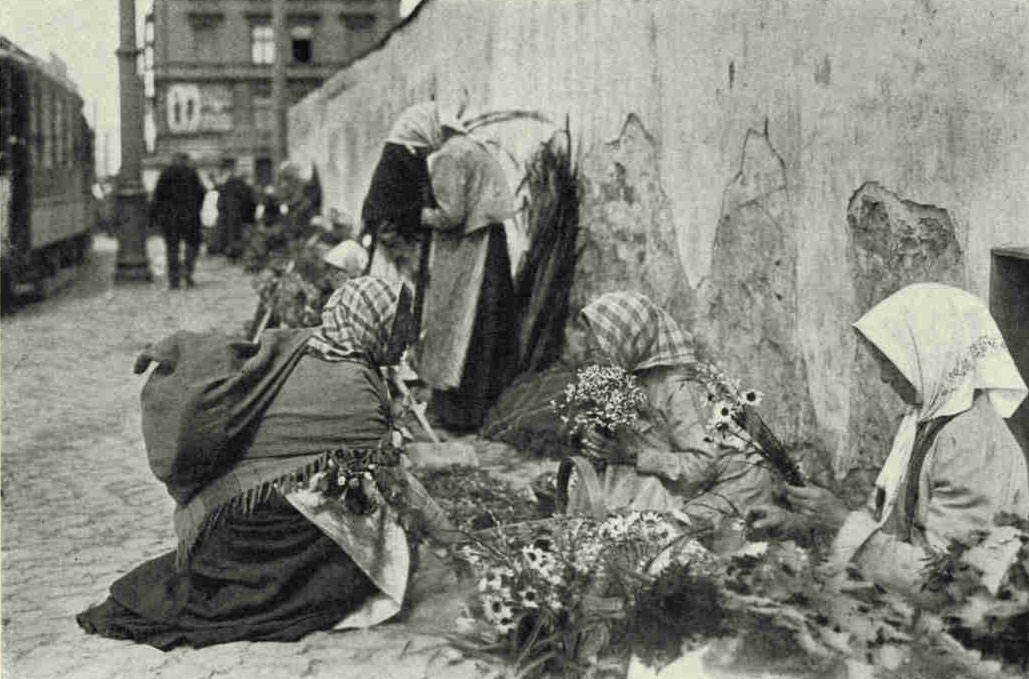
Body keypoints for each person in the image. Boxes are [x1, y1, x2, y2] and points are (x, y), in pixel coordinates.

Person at [77, 276, 451, 649]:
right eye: (400, 328)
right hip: (250, 527)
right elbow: (395, 484)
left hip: (227, 522)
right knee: (354, 563)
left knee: (348, 503)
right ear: (375, 325)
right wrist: (454, 539)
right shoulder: (354, 388)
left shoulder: (307, 346)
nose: (406, 340)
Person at [750, 283, 1029, 606]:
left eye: (890, 361)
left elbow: (947, 584)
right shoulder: (925, 420)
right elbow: (883, 523)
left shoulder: (969, 441)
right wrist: (801, 525)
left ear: (929, 355)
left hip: (973, 622)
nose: (884, 377)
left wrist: (840, 520)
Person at [362, 101, 519, 431]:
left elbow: (450, 215)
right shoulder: (471, 147)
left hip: (470, 250)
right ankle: (485, 410)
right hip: (489, 243)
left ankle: (459, 414)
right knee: (484, 330)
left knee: (456, 328)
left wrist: (409, 214)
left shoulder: (449, 155)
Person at [561, 291, 772, 526]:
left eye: (602, 347)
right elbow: (629, 437)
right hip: (679, 480)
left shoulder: (679, 388)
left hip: (728, 488)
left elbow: (702, 466)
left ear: (629, 340)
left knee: (669, 535)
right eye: (594, 348)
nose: (597, 356)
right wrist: (596, 438)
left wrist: (632, 456)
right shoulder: (628, 376)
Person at [150, 152, 206, 289]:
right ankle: (187, 273)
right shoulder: (191, 173)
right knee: (191, 246)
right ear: (185, 160)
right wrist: (196, 209)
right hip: (190, 217)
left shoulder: (166, 173)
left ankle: (174, 279)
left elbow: (157, 196)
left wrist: (158, 216)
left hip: (170, 218)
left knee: (172, 248)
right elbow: (201, 192)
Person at [210, 158, 256, 260]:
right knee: (233, 233)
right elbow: (246, 196)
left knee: (232, 233)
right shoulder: (235, 180)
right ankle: (232, 252)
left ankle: (232, 252)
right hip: (233, 211)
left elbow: (222, 192)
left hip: (232, 211)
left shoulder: (231, 180)